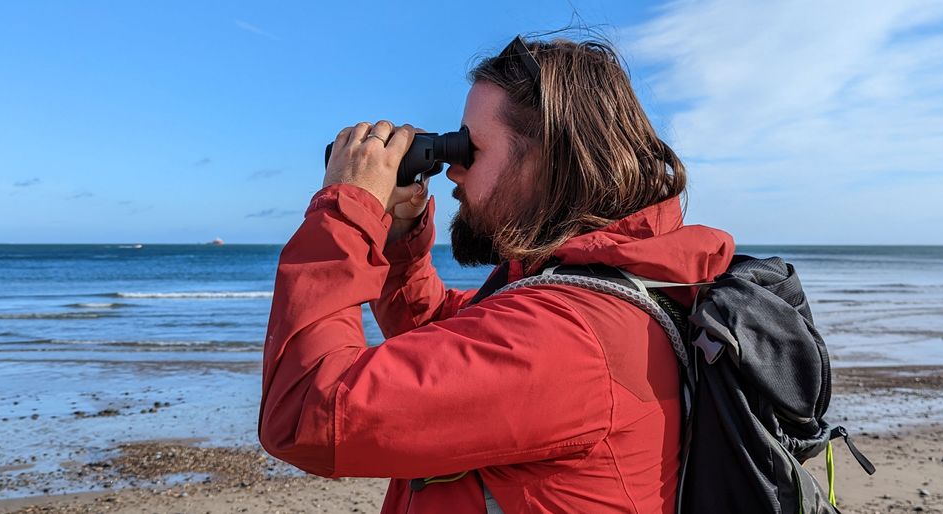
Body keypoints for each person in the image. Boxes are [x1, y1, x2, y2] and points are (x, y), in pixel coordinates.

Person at [259, 35, 734, 513]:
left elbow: (309, 412)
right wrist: (399, 241)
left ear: (550, 159)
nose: (452, 172)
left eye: (471, 149)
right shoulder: (592, 293)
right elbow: (440, 345)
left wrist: (345, 211)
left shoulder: (567, 338)